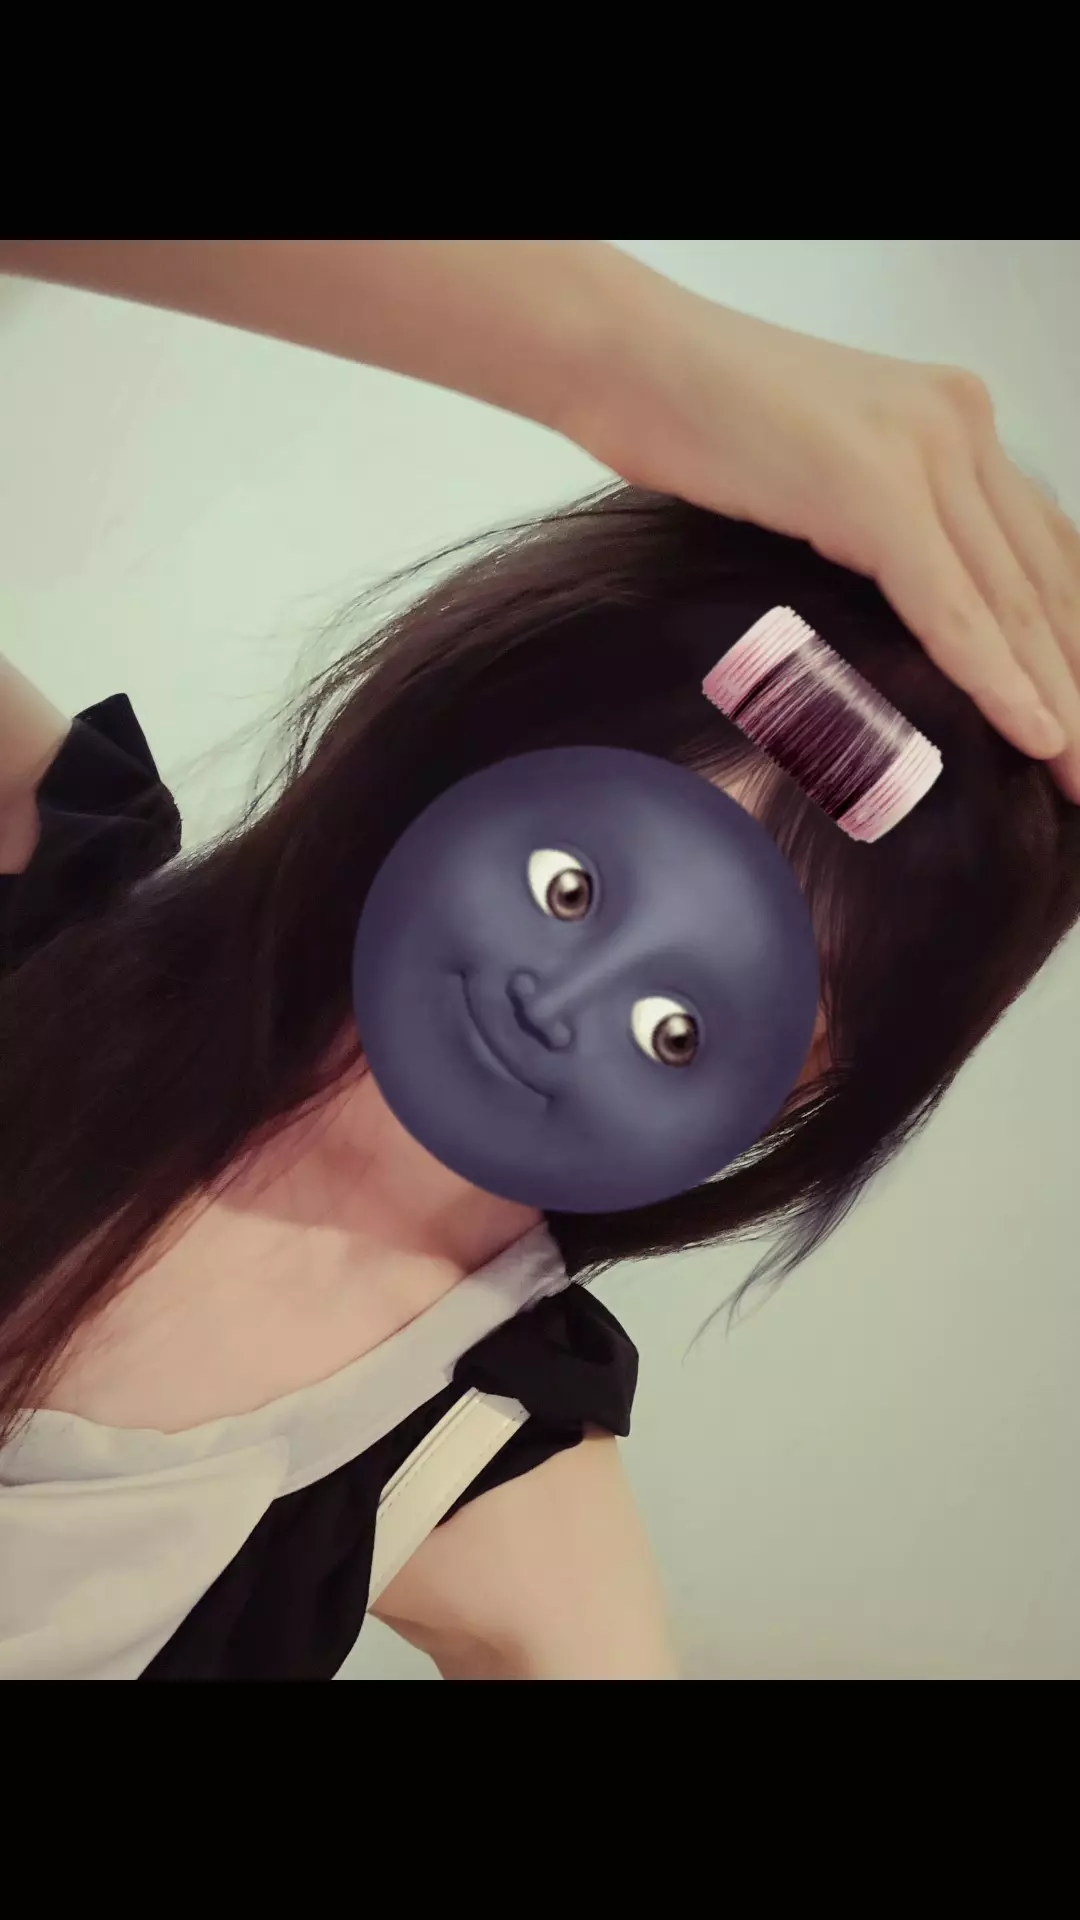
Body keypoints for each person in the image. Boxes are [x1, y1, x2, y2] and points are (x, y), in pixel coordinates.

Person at [1, 242, 1079, 1682]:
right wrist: (615, 354)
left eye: (681, 1028)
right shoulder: (49, 865)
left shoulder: (484, 1464)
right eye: (570, 887)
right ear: (473, 741)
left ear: (799, 1085)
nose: (556, 1003)